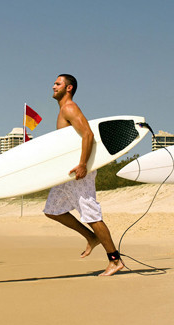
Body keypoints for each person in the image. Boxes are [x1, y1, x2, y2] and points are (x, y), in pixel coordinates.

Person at [44, 74, 123, 276]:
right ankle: (92, 237)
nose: (53, 86)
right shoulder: (63, 109)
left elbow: (88, 134)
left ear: (68, 88)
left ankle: (115, 260)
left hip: (79, 170)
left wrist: (83, 164)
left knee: (91, 213)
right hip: (69, 172)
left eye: (58, 83)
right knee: (52, 210)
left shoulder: (69, 108)